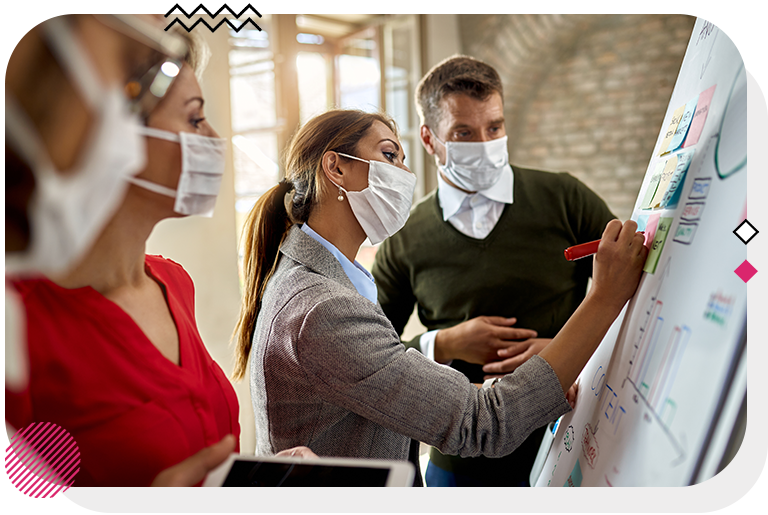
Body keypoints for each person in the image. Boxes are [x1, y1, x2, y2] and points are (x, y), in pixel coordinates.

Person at [233, 108, 647, 487]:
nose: (404, 173)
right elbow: (484, 423)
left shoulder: (315, 280)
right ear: (336, 167)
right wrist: (605, 297)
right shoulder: (323, 308)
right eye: (390, 155)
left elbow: (381, 379)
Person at [5, 31, 314, 487]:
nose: (213, 138)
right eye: (194, 119)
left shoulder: (174, 282)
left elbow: (195, 456)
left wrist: (252, 479)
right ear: (114, 133)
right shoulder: (21, 323)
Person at [370, 55, 618, 486]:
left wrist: (565, 351)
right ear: (429, 139)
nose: (484, 143)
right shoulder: (405, 238)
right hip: (462, 463)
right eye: (463, 133)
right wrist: (442, 343)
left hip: (577, 438)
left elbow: (633, 291)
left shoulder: (564, 197)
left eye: (495, 127)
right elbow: (373, 357)